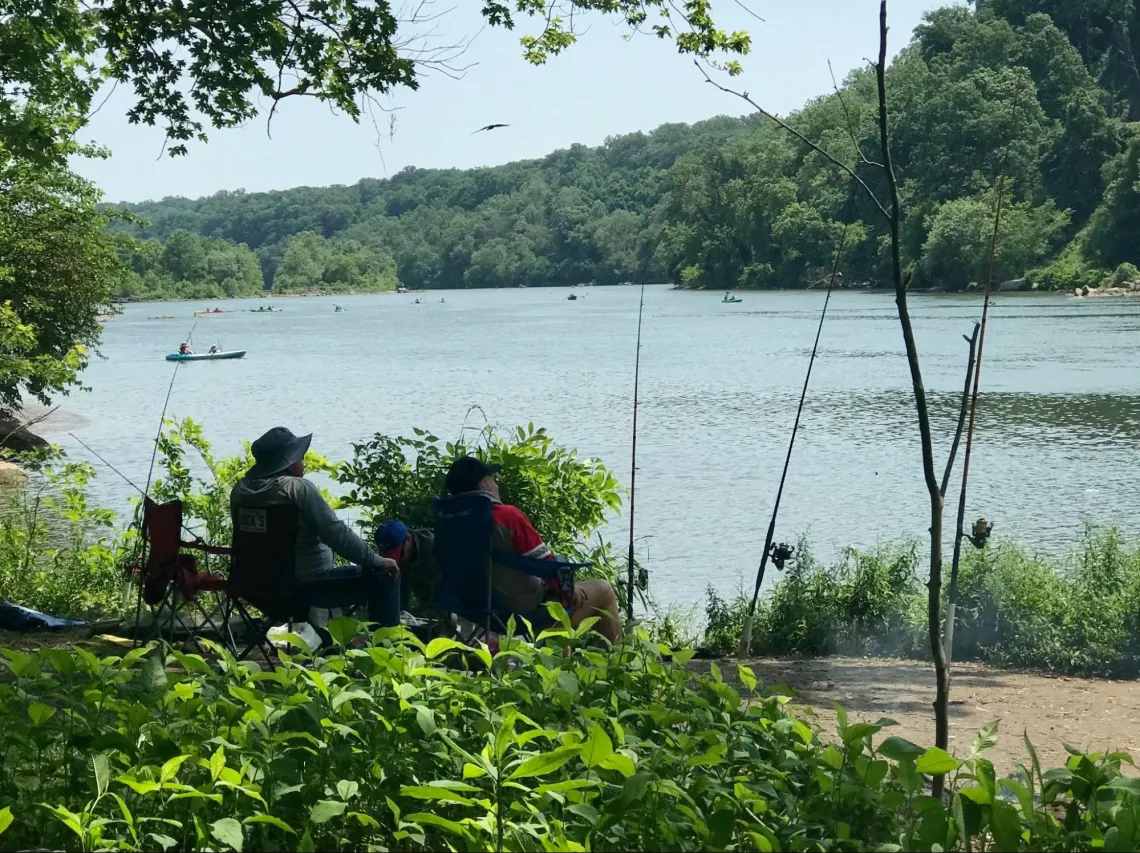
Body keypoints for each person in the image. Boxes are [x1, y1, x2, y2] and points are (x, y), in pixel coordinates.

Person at [230, 427, 401, 626]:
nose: (302, 463)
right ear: (288, 464)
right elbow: (337, 534)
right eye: (299, 458)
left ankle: (330, 640)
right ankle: (387, 647)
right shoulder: (297, 489)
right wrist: (377, 560)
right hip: (307, 588)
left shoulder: (240, 491)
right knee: (385, 575)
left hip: (255, 588)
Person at [444, 455, 621, 643]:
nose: (497, 486)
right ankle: (615, 662)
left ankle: (562, 659)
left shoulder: (447, 521)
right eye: (494, 480)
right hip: (524, 612)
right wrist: (568, 589)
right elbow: (545, 565)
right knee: (604, 590)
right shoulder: (506, 516)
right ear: (483, 486)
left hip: (474, 610)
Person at [374, 519, 437, 613]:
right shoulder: (403, 554)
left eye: (399, 555)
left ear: (408, 539)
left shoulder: (432, 550)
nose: (397, 562)